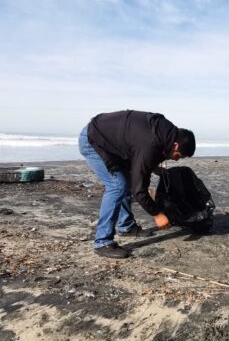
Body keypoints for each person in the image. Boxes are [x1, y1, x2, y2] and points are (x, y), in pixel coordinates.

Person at [78, 110, 195, 258]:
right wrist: (157, 214)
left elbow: (143, 155)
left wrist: (153, 167)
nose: (177, 159)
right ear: (176, 145)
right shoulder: (150, 143)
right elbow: (138, 189)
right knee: (117, 186)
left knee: (125, 182)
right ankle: (102, 242)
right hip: (94, 140)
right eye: (179, 156)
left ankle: (126, 227)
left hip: (112, 141)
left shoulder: (165, 133)